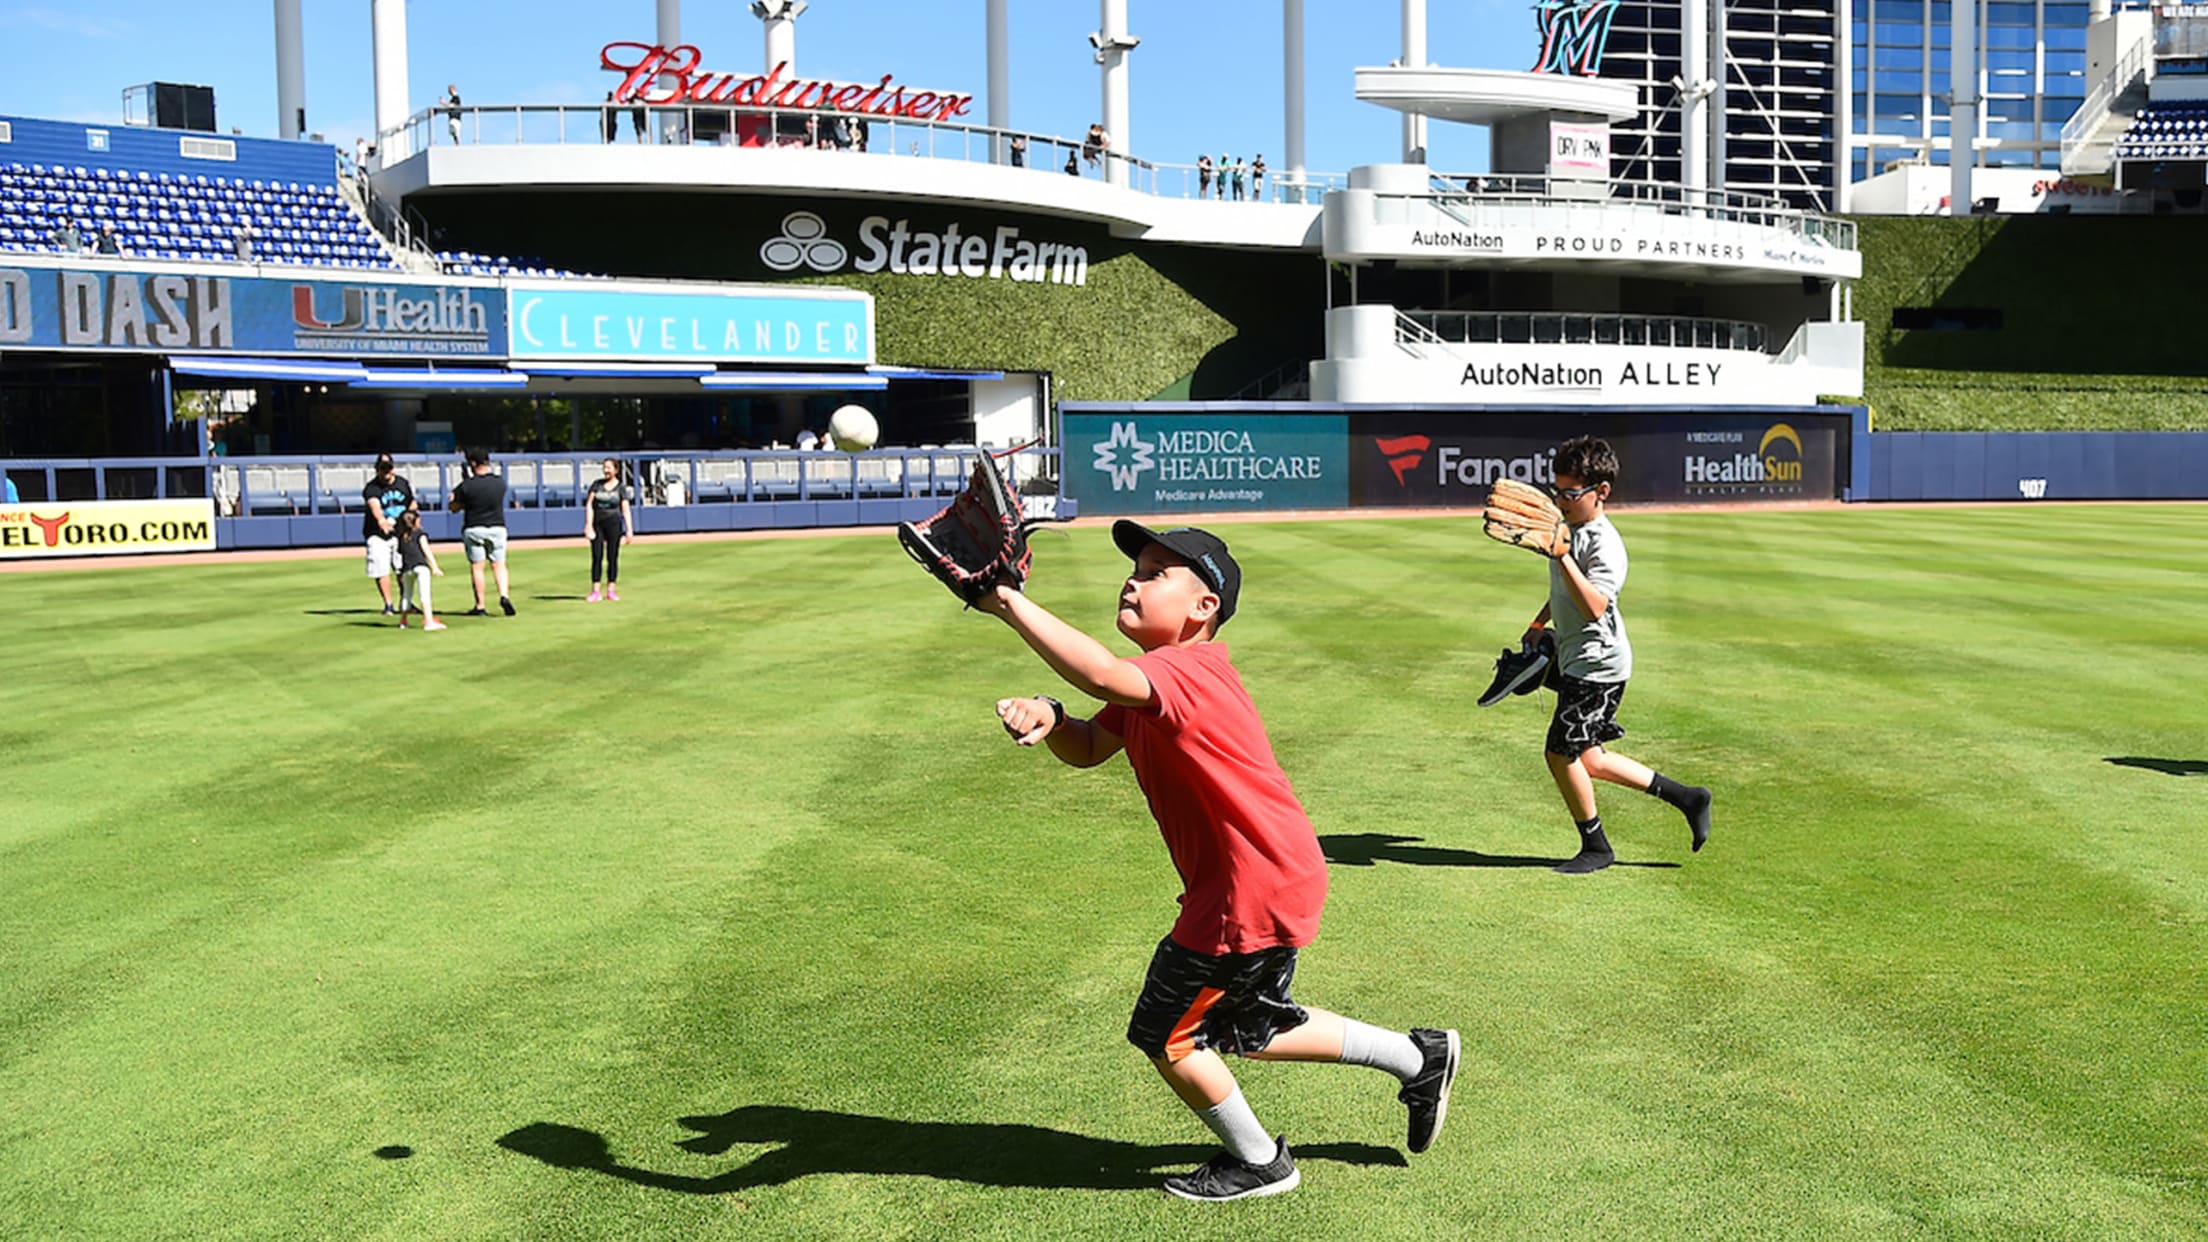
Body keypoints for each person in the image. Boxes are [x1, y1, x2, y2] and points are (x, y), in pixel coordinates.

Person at [977, 522, 1459, 1200]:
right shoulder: (1152, 680)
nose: (1133, 580)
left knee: (1167, 1034)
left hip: (1246, 888)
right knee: (1245, 1024)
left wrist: (1007, 601)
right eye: (1136, 568)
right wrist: (1054, 719)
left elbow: (1098, 671)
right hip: (1267, 875)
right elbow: (1090, 745)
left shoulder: (1185, 671)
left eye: (1155, 572)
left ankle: (1260, 1162)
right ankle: (1418, 1057)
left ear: (1204, 607)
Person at [1514, 436, 1714, 873]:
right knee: (1590, 757)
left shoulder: (1603, 543)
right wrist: (1537, 623)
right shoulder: (1570, 531)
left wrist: (1562, 555)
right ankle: (1688, 797)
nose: (1560, 501)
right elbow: (1564, 593)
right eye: (1557, 491)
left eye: (1570, 493)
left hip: (1598, 667)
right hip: (1577, 658)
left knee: (1559, 754)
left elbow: (1594, 605)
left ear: (1601, 491)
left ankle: (1597, 846)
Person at [447, 447, 515, 617]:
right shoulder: (500, 482)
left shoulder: (466, 485)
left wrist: (455, 499)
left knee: (478, 567)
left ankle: (480, 605)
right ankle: (504, 595)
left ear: (472, 463)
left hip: (474, 527)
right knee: (499, 565)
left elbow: (454, 508)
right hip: (497, 526)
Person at [361, 452, 416, 615]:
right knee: (381, 569)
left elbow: (411, 502)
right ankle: (388, 605)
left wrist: (413, 519)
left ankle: (406, 603)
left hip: (399, 534)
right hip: (377, 535)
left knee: (403, 570)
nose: (386, 473)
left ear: (393, 468)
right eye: (382, 469)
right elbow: (374, 505)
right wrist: (382, 521)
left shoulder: (402, 483)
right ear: (377, 470)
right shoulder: (372, 488)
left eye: (388, 469)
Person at [583, 457, 633, 603]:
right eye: (604, 467)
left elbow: (625, 509)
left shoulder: (621, 488)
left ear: (616, 470)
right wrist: (588, 525)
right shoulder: (596, 485)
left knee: (612, 557)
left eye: (609, 467)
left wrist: (629, 530)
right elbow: (589, 505)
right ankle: (595, 591)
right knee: (597, 557)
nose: (606, 470)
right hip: (598, 525)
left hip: (614, 524)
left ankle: (611, 589)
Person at [391, 510, 447, 631]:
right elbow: (426, 550)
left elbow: (400, 553)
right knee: (425, 594)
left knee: (406, 595)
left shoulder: (401, 537)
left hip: (407, 568)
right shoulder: (420, 534)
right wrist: (435, 567)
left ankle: (403, 620)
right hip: (421, 566)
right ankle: (429, 621)